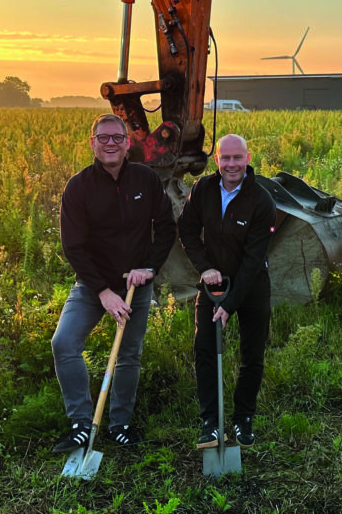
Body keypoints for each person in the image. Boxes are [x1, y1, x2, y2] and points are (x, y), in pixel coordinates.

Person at [50, 113, 177, 453]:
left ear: (126, 144)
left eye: (117, 138)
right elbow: (73, 246)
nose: (110, 143)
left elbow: (166, 226)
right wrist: (103, 291)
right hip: (93, 286)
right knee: (64, 344)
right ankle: (81, 424)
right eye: (103, 138)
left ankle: (120, 424)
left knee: (128, 355)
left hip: (136, 283)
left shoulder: (146, 180)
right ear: (92, 143)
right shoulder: (78, 187)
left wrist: (148, 267)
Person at [177, 134, 276, 450]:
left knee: (252, 356)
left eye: (238, 158)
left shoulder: (262, 201)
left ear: (248, 159)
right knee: (205, 348)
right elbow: (187, 230)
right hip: (213, 285)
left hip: (251, 286)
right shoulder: (203, 189)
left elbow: (252, 261)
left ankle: (243, 418)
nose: (232, 164)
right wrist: (204, 268)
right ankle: (211, 422)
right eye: (225, 158)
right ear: (216, 160)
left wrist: (230, 304)